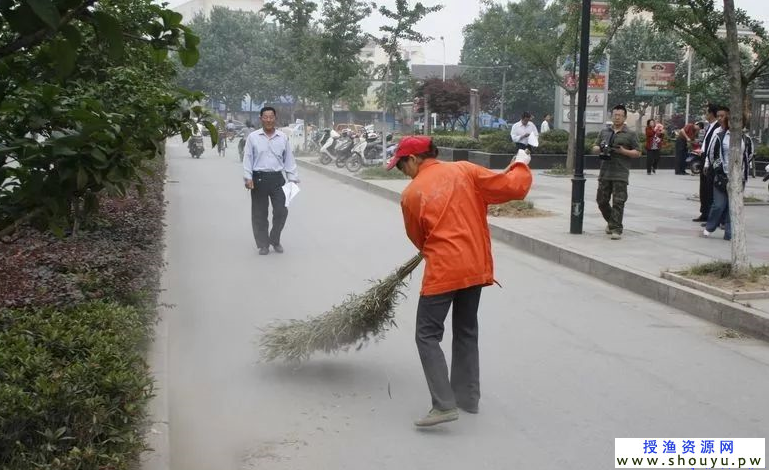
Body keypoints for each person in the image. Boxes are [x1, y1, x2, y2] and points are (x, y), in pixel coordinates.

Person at [387, 135, 533, 427]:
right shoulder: (465, 170)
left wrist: (433, 249)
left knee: (427, 335)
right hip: (474, 265)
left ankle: (443, 405)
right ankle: (467, 398)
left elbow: (419, 238)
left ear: (414, 159)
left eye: (401, 165)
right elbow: (513, 188)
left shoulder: (412, 193)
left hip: (444, 269)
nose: (402, 171)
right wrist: (520, 164)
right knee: (466, 329)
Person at [243, 107, 299, 255]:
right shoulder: (253, 137)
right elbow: (248, 158)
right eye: (265, 117)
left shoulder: (282, 137)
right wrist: (248, 178)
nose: (268, 120)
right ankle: (263, 244)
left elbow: (289, 159)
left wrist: (292, 178)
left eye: (271, 117)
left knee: (281, 211)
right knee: (259, 213)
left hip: (277, 179)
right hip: (259, 178)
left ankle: (274, 239)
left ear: (275, 118)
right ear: (261, 118)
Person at [592, 104, 642, 240]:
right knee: (601, 201)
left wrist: (623, 151)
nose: (617, 117)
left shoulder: (630, 134)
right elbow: (594, 147)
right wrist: (600, 148)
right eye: (615, 115)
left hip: (620, 173)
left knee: (618, 202)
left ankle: (616, 229)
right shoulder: (604, 132)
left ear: (625, 117)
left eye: (620, 115)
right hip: (605, 172)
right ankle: (612, 222)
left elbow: (638, 152)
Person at [702, 106, 748, 241]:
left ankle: (729, 232)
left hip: (738, 178)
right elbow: (712, 154)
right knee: (719, 205)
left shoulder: (745, 138)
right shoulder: (720, 136)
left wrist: (744, 173)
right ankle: (710, 227)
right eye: (732, 120)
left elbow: (748, 155)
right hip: (722, 176)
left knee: (732, 207)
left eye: (739, 121)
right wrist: (719, 170)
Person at [694, 104, 721, 223]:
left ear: (711, 113)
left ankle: (710, 214)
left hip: (710, 160)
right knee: (704, 188)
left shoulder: (718, 127)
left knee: (709, 188)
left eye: (707, 112)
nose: (705, 114)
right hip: (704, 157)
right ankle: (704, 212)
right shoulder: (709, 126)